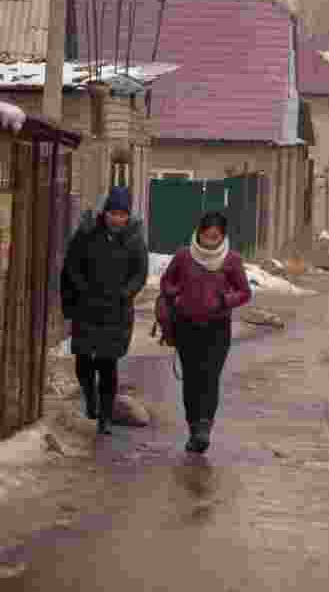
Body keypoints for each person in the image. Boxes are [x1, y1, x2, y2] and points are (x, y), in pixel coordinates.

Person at [159, 211, 252, 454]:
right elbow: (166, 282)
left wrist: (224, 300)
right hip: (186, 326)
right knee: (191, 379)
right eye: (207, 236)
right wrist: (176, 296)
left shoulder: (231, 260)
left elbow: (244, 292)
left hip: (217, 329)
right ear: (199, 233)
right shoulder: (184, 256)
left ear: (223, 237)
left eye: (216, 237)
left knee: (209, 377)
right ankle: (193, 427)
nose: (211, 242)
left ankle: (204, 429)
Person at [60, 186, 149, 435]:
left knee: (107, 364)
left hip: (115, 311)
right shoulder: (87, 234)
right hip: (87, 308)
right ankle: (91, 398)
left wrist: (125, 293)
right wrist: (82, 290)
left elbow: (139, 273)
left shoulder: (134, 240)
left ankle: (106, 418)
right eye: (112, 213)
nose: (116, 218)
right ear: (105, 212)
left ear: (128, 216)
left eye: (122, 214)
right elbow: (72, 265)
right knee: (84, 361)